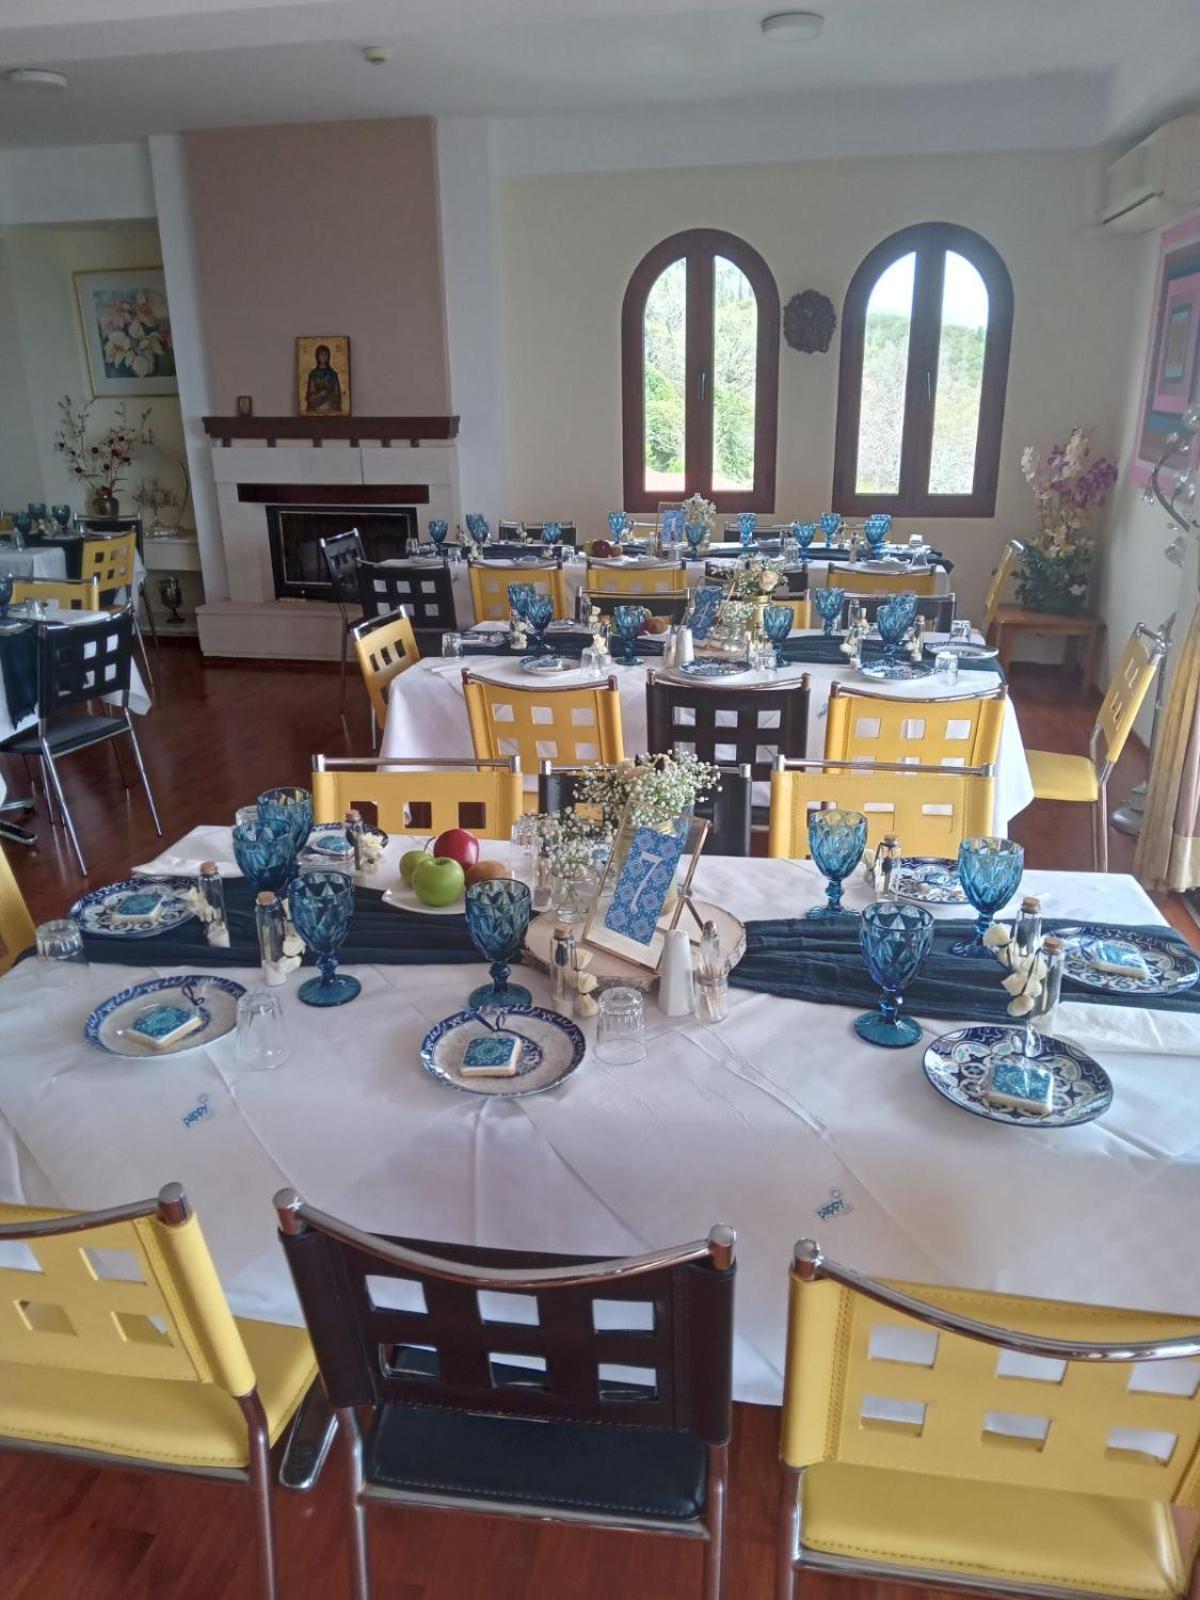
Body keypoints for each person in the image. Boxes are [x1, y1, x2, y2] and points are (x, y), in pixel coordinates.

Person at [304, 344, 342, 415]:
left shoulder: (333, 374)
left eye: (326, 355)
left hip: (330, 407)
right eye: (321, 355)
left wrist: (329, 401)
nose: (323, 357)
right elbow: (310, 395)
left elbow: (337, 395)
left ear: (328, 356)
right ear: (317, 357)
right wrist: (320, 394)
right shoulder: (313, 374)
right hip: (316, 407)